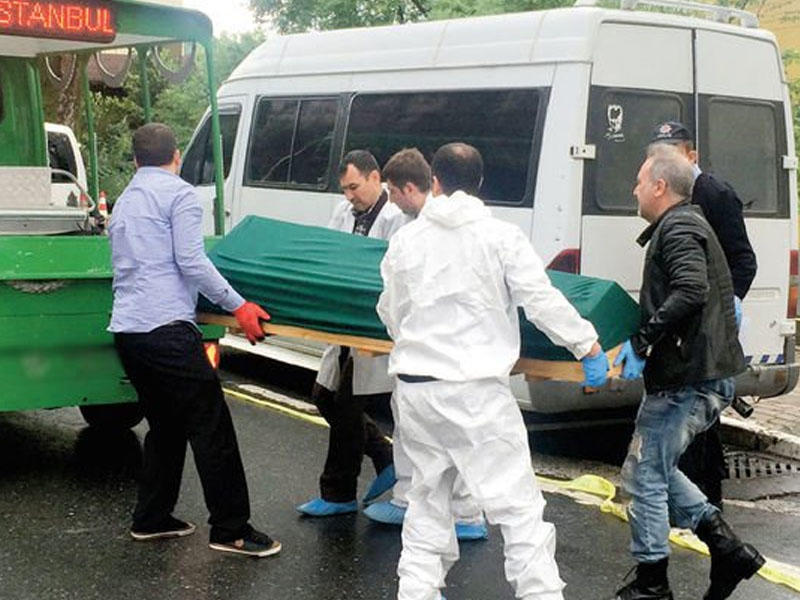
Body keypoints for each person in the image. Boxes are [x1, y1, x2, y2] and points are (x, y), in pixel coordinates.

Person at [377, 142, 609, 600]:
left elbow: (391, 312)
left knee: (426, 500)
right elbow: (539, 299)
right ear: (480, 183)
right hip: (475, 393)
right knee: (517, 508)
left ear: (435, 182)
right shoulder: (500, 236)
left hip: (416, 390)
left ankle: (417, 592)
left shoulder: (407, 240)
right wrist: (587, 344)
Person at [109, 123, 280, 557]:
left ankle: (152, 518)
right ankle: (231, 529)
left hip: (129, 332)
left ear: (135, 160)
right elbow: (191, 260)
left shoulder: (125, 200)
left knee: (166, 425)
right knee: (211, 424)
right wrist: (238, 304)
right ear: (177, 155)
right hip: (165, 328)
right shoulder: (180, 195)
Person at [611, 145, 763, 600]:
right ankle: (728, 550)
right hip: (694, 375)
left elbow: (691, 288)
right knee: (651, 468)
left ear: (659, 185)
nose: (634, 189)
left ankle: (653, 582)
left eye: (639, 181)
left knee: (647, 477)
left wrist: (643, 342)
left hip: (686, 379)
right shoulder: (683, 224)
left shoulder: (677, 228)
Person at [363, 148, 488, 542]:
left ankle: (414, 506)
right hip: (467, 356)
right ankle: (463, 513)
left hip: (424, 356)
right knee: (460, 438)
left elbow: (393, 303)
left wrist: (399, 337)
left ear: (424, 184)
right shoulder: (491, 231)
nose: (392, 201)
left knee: (418, 436)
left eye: (394, 192)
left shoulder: (411, 236)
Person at [648, 121, 757, 510]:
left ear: (691, 156)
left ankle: (706, 505)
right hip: (688, 323)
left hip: (709, 320)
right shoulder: (666, 193)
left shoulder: (713, 193)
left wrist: (728, 306)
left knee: (699, 415)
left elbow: (743, 259)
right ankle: (694, 506)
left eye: (670, 155)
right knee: (687, 417)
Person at [296, 150, 408, 517]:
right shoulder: (345, 212)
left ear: (376, 178)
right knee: (324, 397)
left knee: (344, 404)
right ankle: (382, 455)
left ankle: (338, 493)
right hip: (344, 322)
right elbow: (332, 254)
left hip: (375, 324)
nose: (349, 197)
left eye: (354, 187)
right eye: (344, 189)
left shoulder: (396, 219)